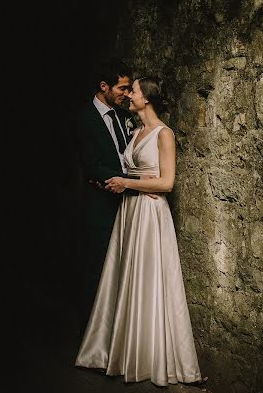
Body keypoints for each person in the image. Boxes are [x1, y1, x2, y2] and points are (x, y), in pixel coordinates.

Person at [75, 76, 207, 387]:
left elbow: (166, 183)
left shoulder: (164, 134)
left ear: (145, 98)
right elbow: (128, 169)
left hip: (149, 213)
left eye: (132, 90)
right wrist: (114, 180)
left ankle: (147, 355)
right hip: (130, 212)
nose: (128, 95)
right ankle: (121, 351)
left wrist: (128, 183)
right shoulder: (135, 132)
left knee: (149, 279)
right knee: (126, 278)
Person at [75, 58, 138, 334]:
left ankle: (119, 332)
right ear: (104, 86)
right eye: (122, 88)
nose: (126, 94)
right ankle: (93, 334)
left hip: (128, 203)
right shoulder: (84, 119)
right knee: (97, 268)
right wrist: (119, 180)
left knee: (124, 268)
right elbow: (91, 163)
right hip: (99, 205)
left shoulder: (125, 118)